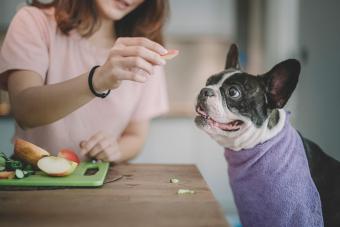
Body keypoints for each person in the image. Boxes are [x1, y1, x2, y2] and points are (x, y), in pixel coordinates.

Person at [0, 0, 170, 163]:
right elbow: (24, 111)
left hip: (102, 183)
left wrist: (115, 149)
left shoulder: (144, 51)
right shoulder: (33, 22)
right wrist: (97, 80)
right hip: (32, 183)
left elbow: (136, 135)